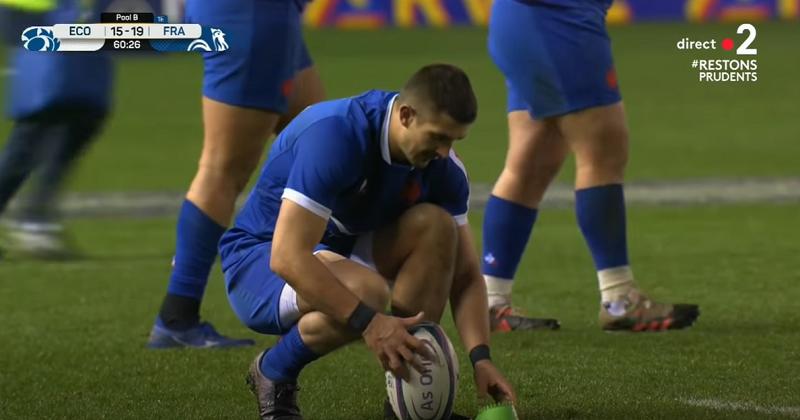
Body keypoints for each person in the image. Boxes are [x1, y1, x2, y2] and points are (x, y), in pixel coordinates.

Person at [218, 64, 516, 419]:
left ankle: (405, 404)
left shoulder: (444, 169)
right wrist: (373, 323)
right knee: (366, 294)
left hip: (340, 249)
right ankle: (274, 371)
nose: (444, 151)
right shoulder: (336, 135)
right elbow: (287, 257)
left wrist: (481, 359)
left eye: (453, 140)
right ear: (405, 115)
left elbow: (466, 277)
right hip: (259, 259)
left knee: (436, 227)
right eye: (437, 137)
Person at [482, 0, 700, 332]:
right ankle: (619, 298)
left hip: (519, 21)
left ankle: (489, 301)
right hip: (561, 21)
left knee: (531, 163)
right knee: (603, 151)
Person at [147, 0, 326, 348]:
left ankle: (337, 285)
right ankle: (177, 317)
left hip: (265, 13)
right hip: (251, 13)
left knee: (317, 141)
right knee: (222, 169)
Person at [0, 0, 111, 259]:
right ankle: (34, 218)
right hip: (45, 16)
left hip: (76, 20)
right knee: (42, 119)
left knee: (83, 115)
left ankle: (35, 214)